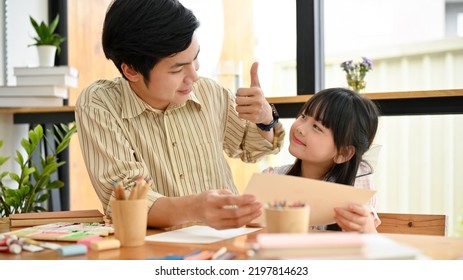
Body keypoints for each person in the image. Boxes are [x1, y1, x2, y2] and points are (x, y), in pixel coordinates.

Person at [75, 0, 285, 229]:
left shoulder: (208, 91)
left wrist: (266, 119)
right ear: (131, 70)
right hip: (158, 252)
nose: (194, 76)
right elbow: (126, 199)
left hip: (228, 243)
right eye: (178, 68)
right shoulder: (100, 104)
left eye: (195, 58)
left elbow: (254, 148)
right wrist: (195, 208)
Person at [263, 87, 381, 233]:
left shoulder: (356, 186)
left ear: (343, 153)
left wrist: (366, 228)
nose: (300, 128)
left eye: (316, 127)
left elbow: (369, 245)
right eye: (303, 116)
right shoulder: (272, 179)